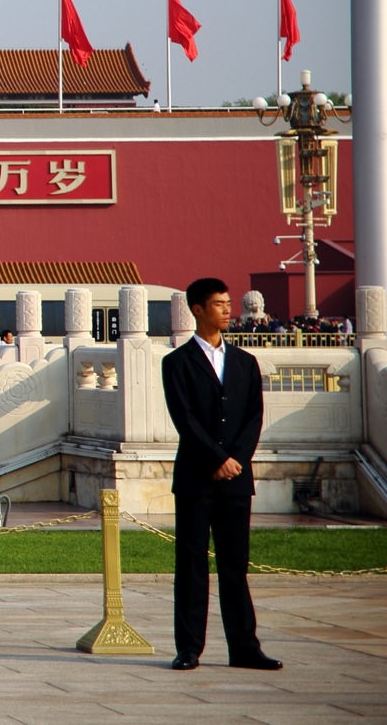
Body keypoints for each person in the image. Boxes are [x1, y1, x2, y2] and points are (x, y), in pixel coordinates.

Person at [161, 277, 281, 672]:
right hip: (197, 479)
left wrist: (237, 460)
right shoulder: (176, 363)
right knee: (192, 567)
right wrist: (216, 458)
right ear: (198, 309)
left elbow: (253, 418)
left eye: (229, 303)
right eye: (219, 304)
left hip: (235, 480)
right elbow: (185, 420)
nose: (228, 310)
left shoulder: (245, 363)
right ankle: (189, 649)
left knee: (235, 567)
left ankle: (245, 647)